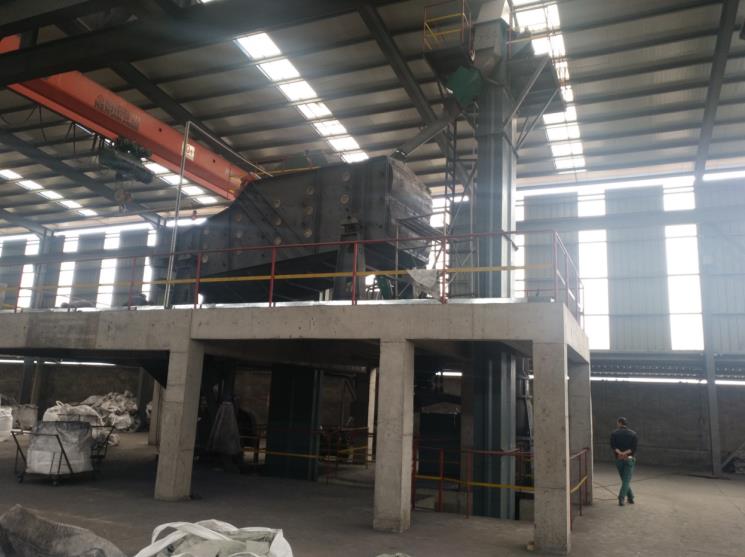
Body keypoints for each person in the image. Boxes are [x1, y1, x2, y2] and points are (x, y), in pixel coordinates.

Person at [610, 416, 638, 506]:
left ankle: (626, 497)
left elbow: (613, 446)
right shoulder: (633, 434)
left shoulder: (614, 433)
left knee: (625, 479)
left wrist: (620, 453)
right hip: (629, 459)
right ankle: (627, 497)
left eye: (617, 422)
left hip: (619, 459)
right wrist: (625, 453)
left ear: (619, 423)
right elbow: (633, 448)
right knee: (626, 480)